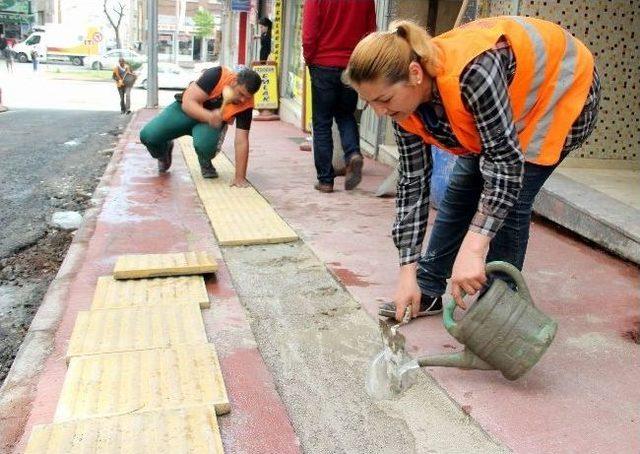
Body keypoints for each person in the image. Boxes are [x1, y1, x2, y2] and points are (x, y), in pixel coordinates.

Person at [344, 17, 600, 320]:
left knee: (513, 196)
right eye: (370, 102)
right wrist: (406, 272)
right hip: (505, 105)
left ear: (415, 73)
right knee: (462, 187)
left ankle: (500, 308)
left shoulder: (474, 72)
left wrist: (474, 249)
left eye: (384, 99)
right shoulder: (403, 107)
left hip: (562, 91)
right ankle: (426, 288)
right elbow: (412, 185)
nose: (380, 111)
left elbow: (505, 167)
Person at [139, 65, 261, 186]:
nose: (242, 100)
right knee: (148, 136)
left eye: (247, 97)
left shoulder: (246, 105)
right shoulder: (216, 74)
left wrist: (240, 177)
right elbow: (188, 103)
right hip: (184, 111)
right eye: (241, 93)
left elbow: (241, 141)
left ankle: (205, 160)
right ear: (234, 81)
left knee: (206, 147)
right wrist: (209, 116)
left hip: (208, 124)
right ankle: (163, 152)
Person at [302, 0, 377, 193]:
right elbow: (371, 33)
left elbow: (309, 33)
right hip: (352, 65)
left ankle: (326, 180)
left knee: (321, 123)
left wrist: (310, 59)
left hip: (322, 64)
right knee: (345, 114)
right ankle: (352, 154)